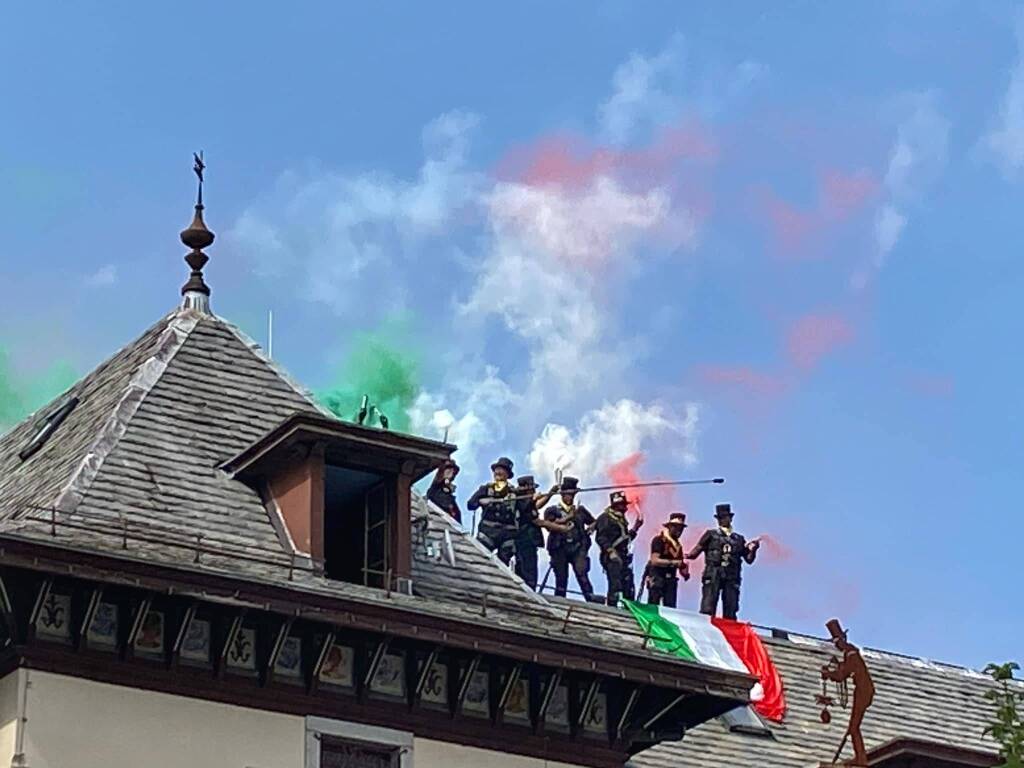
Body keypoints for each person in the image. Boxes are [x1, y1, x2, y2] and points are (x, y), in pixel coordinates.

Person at [685, 503, 759, 620]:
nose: (721, 520)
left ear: (730, 518)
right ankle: (706, 626)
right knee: (708, 605)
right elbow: (695, 552)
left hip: (732, 575)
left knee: (730, 607)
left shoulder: (739, 539)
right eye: (719, 518)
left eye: (724, 517)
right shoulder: (710, 534)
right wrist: (684, 556)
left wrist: (754, 549)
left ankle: (729, 631)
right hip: (713, 572)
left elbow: (749, 559)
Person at [821, 618, 875, 767]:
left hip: (863, 690)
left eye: (837, 641)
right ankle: (860, 757)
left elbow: (842, 675)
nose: (836, 645)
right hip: (863, 690)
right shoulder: (849, 653)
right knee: (853, 726)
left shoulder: (851, 653)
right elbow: (843, 670)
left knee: (854, 726)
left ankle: (861, 759)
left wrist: (829, 674)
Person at [543, 477, 596, 601]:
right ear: (562, 494)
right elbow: (549, 525)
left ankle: (591, 599)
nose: (570, 497)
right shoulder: (552, 510)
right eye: (568, 494)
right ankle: (560, 601)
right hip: (559, 548)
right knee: (561, 578)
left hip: (577, 548)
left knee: (582, 574)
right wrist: (568, 518)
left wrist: (590, 529)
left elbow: (594, 522)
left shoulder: (580, 510)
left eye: (572, 494)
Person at [512, 475, 562, 590]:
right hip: (526, 541)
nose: (534, 490)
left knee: (525, 569)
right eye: (531, 488)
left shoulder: (525, 502)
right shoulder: (522, 502)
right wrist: (561, 528)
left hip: (524, 541)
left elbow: (537, 506)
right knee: (529, 572)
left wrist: (550, 493)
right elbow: (537, 521)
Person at [467, 457, 519, 566]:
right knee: (480, 560)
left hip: (507, 535)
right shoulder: (486, 489)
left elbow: (526, 510)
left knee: (503, 565)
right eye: (497, 469)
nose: (498, 472)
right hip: (488, 532)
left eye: (502, 470)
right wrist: (481, 502)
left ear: (507, 474)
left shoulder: (515, 493)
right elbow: (471, 504)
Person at [594, 491, 643, 606]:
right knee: (615, 585)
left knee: (628, 585)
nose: (625, 507)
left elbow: (625, 540)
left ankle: (627, 609)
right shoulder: (605, 518)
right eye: (622, 504)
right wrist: (610, 551)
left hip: (623, 556)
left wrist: (636, 527)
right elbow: (601, 538)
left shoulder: (621, 520)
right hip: (612, 557)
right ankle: (611, 608)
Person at [645, 512, 689, 607]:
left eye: (681, 529)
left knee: (670, 610)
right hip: (657, 578)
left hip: (671, 582)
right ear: (669, 527)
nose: (679, 531)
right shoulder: (659, 540)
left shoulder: (678, 546)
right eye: (676, 527)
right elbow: (655, 560)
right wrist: (674, 563)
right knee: (653, 607)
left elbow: (679, 564)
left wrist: (684, 571)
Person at [426, 459, 461, 523]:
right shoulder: (434, 490)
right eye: (448, 469)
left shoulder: (450, 498)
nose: (451, 472)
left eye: (453, 471)